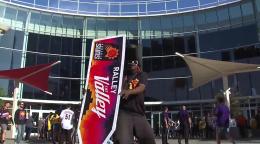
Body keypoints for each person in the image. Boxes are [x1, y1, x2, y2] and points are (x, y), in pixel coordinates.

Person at [114, 60, 156, 144]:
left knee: (149, 138)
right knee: (124, 141)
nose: (131, 65)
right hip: (124, 112)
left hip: (139, 114)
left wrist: (129, 92)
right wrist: (88, 92)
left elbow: (141, 87)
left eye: (134, 64)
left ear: (138, 66)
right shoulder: (122, 77)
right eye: (130, 64)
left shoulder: (141, 75)